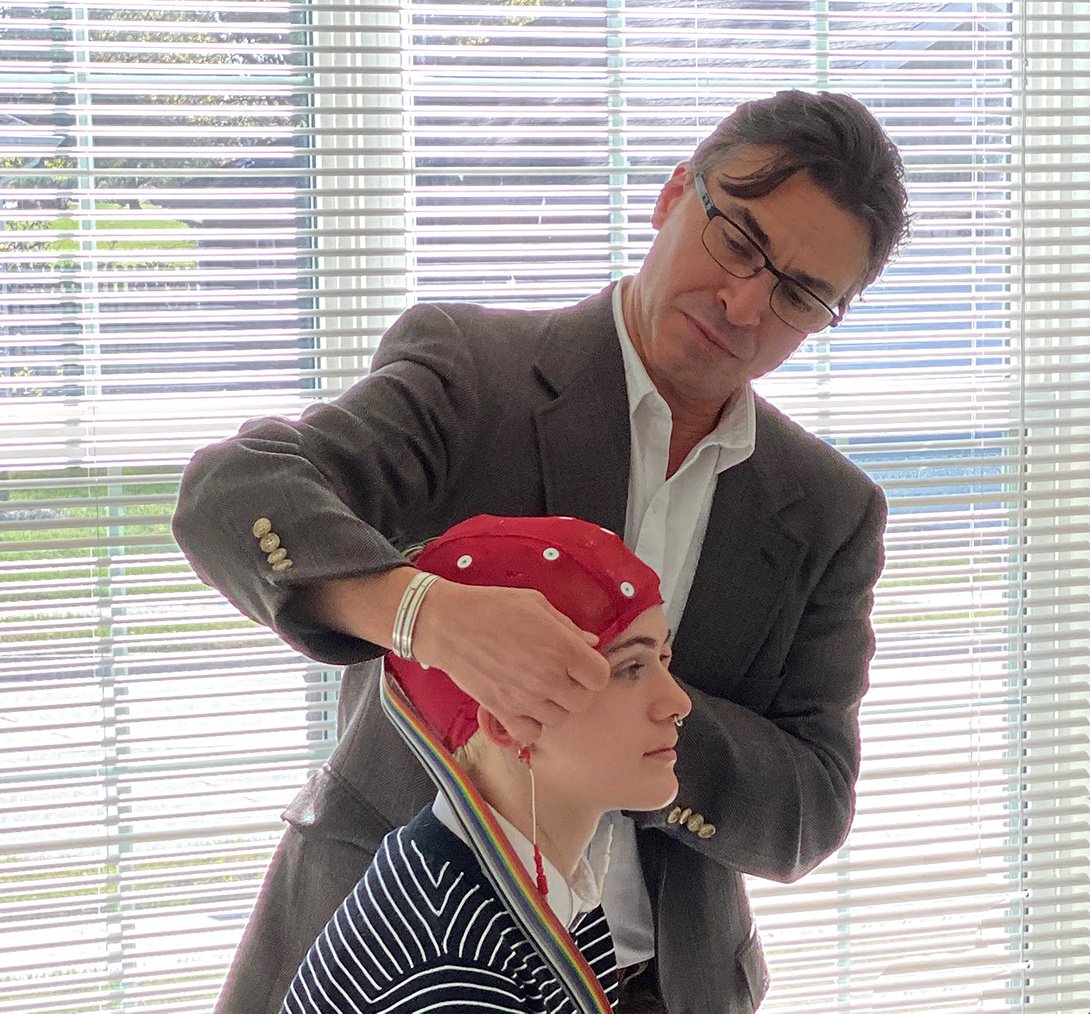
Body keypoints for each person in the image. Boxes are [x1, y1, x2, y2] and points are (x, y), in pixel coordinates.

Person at [173, 88, 909, 1012]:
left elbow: (809, 809)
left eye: (800, 294)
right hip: (398, 948)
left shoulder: (831, 509)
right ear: (675, 194)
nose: (743, 301)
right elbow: (232, 494)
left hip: (656, 983)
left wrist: (622, 719)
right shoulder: (473, 376)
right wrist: (424, 614)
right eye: (739, 240)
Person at [280, 513, 692, 1013]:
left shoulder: (538, 886)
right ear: (505, 723)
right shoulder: (452, 970)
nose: (678, 702)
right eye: (630, 668)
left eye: (663, 661)